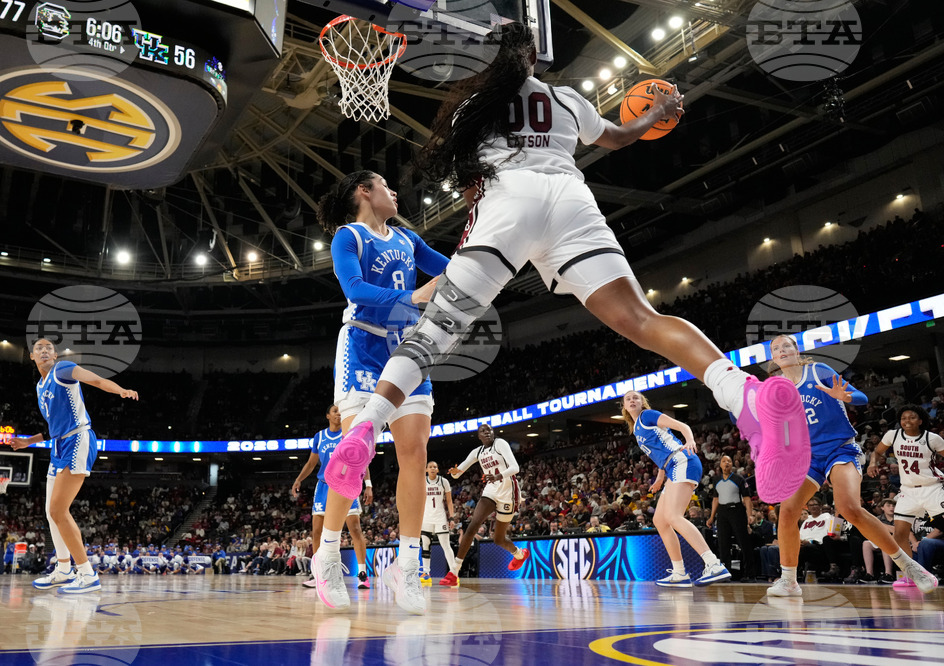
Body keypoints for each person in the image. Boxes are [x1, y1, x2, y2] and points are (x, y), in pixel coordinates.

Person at [328, 22, 811, 527]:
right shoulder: (565, 98)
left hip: (508, 202)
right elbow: (620, 138)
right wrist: (656, 112)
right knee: (643, 319)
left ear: (489, 63)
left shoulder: (474, 107)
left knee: (432, 338)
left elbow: (472, 186)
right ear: (531, 58)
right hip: (570, 200)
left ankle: (365, 428)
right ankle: (743, 395)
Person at [310, 170, 449, 614]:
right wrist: (415, 296)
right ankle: (328, 554)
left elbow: (450, 269)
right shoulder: (348, 238)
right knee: (356, 453)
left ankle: (408, 566)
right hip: (364, 346)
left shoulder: (407, 238)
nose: (394, 191)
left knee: (414, 452)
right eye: (385, 184)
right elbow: (355, 290)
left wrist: (495, 251)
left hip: (409, 348)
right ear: (363, 192)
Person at [766, 334, 937, 595]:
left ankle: (910, 566)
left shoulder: (817, 370)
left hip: (839, 448)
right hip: (807, 457)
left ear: (796, 351)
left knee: (849, 508)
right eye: (776, 348)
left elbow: (861, 398)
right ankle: (789, 580)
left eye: (786, 345)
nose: (782, 350)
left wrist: (844, 396)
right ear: (774, 358)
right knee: (788, 510)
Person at [3, 336, 138, 594]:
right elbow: (52, 428)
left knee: (58, 510)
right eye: (38, 348)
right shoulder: (40, 387)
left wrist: (120, 389)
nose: (44, 350)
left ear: (54, 356)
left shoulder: (62, 370)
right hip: (59, 444)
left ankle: (87, 574)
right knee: (50, 512)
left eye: (49, 348)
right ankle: (63, 569)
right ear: (32, 357)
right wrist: (27, 442)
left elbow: (96, 380)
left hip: (78, 438)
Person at [622, 390, 730, 587]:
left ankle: (713, 563)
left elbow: (682, 426)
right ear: (624, 406)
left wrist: (689, 440)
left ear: (642, 402)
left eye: (636, 397)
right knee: (660, 520)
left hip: (683, 460)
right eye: (628, 398)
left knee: (674, 516)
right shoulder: (637, 429)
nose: (632, 400)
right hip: (672, 467)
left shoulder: (648, 415)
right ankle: (679, 572)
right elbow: (660, 454)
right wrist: (660, 477)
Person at [291, 404, 373, 590]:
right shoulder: (319, 437)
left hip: (346, 484)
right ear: (328, 415)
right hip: (324, 487)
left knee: (355, 529)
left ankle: (362, 574)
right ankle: (320, 573)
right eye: (335, 411)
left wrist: (368, 485)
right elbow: (312, 463)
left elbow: (363, 460)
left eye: (340, 411)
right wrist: (298, 479)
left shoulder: (350, 433)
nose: (339, 413)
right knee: (317, 531)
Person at [867, 404, 944, 588]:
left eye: (911, 417)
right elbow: (877, 451)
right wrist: (872, 463)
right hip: (908, 491)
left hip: (932, 488)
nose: (906, 421)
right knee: (900, 534)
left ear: (920, 420)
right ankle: (912, 575)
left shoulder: (931, 438)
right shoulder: (892, 435)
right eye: (903, 418)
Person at [446, 424, 527, 581]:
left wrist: (497, 476)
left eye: (489, 430)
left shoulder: (500, 444)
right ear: (479, 436)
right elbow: (459, 472)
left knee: (499, 539)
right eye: (483, 431)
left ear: (493, 432)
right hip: (491, 490)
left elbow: (515, 467)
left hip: (508, 492)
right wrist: (455, 473)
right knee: (472, 526)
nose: (487, 432)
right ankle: (454, 572)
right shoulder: (477, 452)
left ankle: (519, 554)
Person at [706, 455, 754, 580]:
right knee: (723, 543)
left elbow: (747, 499)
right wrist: (712, 517)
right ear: (720, 465)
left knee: (743, 542)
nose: (726, 463)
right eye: (724, 461)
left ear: (732, 464)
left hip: (736, 510)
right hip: (722, 512)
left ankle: (749, 574)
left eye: (729, 461)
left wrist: (750, 515)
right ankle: (725, 573)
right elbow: (715, 499)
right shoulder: (716, 480)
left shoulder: (739, 479)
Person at [420, 461, 458, 586]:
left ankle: (454, 573)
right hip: (426, 518)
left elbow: (449, 501)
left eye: (435, 467)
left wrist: (451, 517)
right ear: (426, 469)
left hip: (440, 518)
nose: (432, 468)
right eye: (430, 467)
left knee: (446, 546)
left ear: (437, 470)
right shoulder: (422, 481)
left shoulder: (443, 482)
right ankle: (426, 574)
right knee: (425, 546)